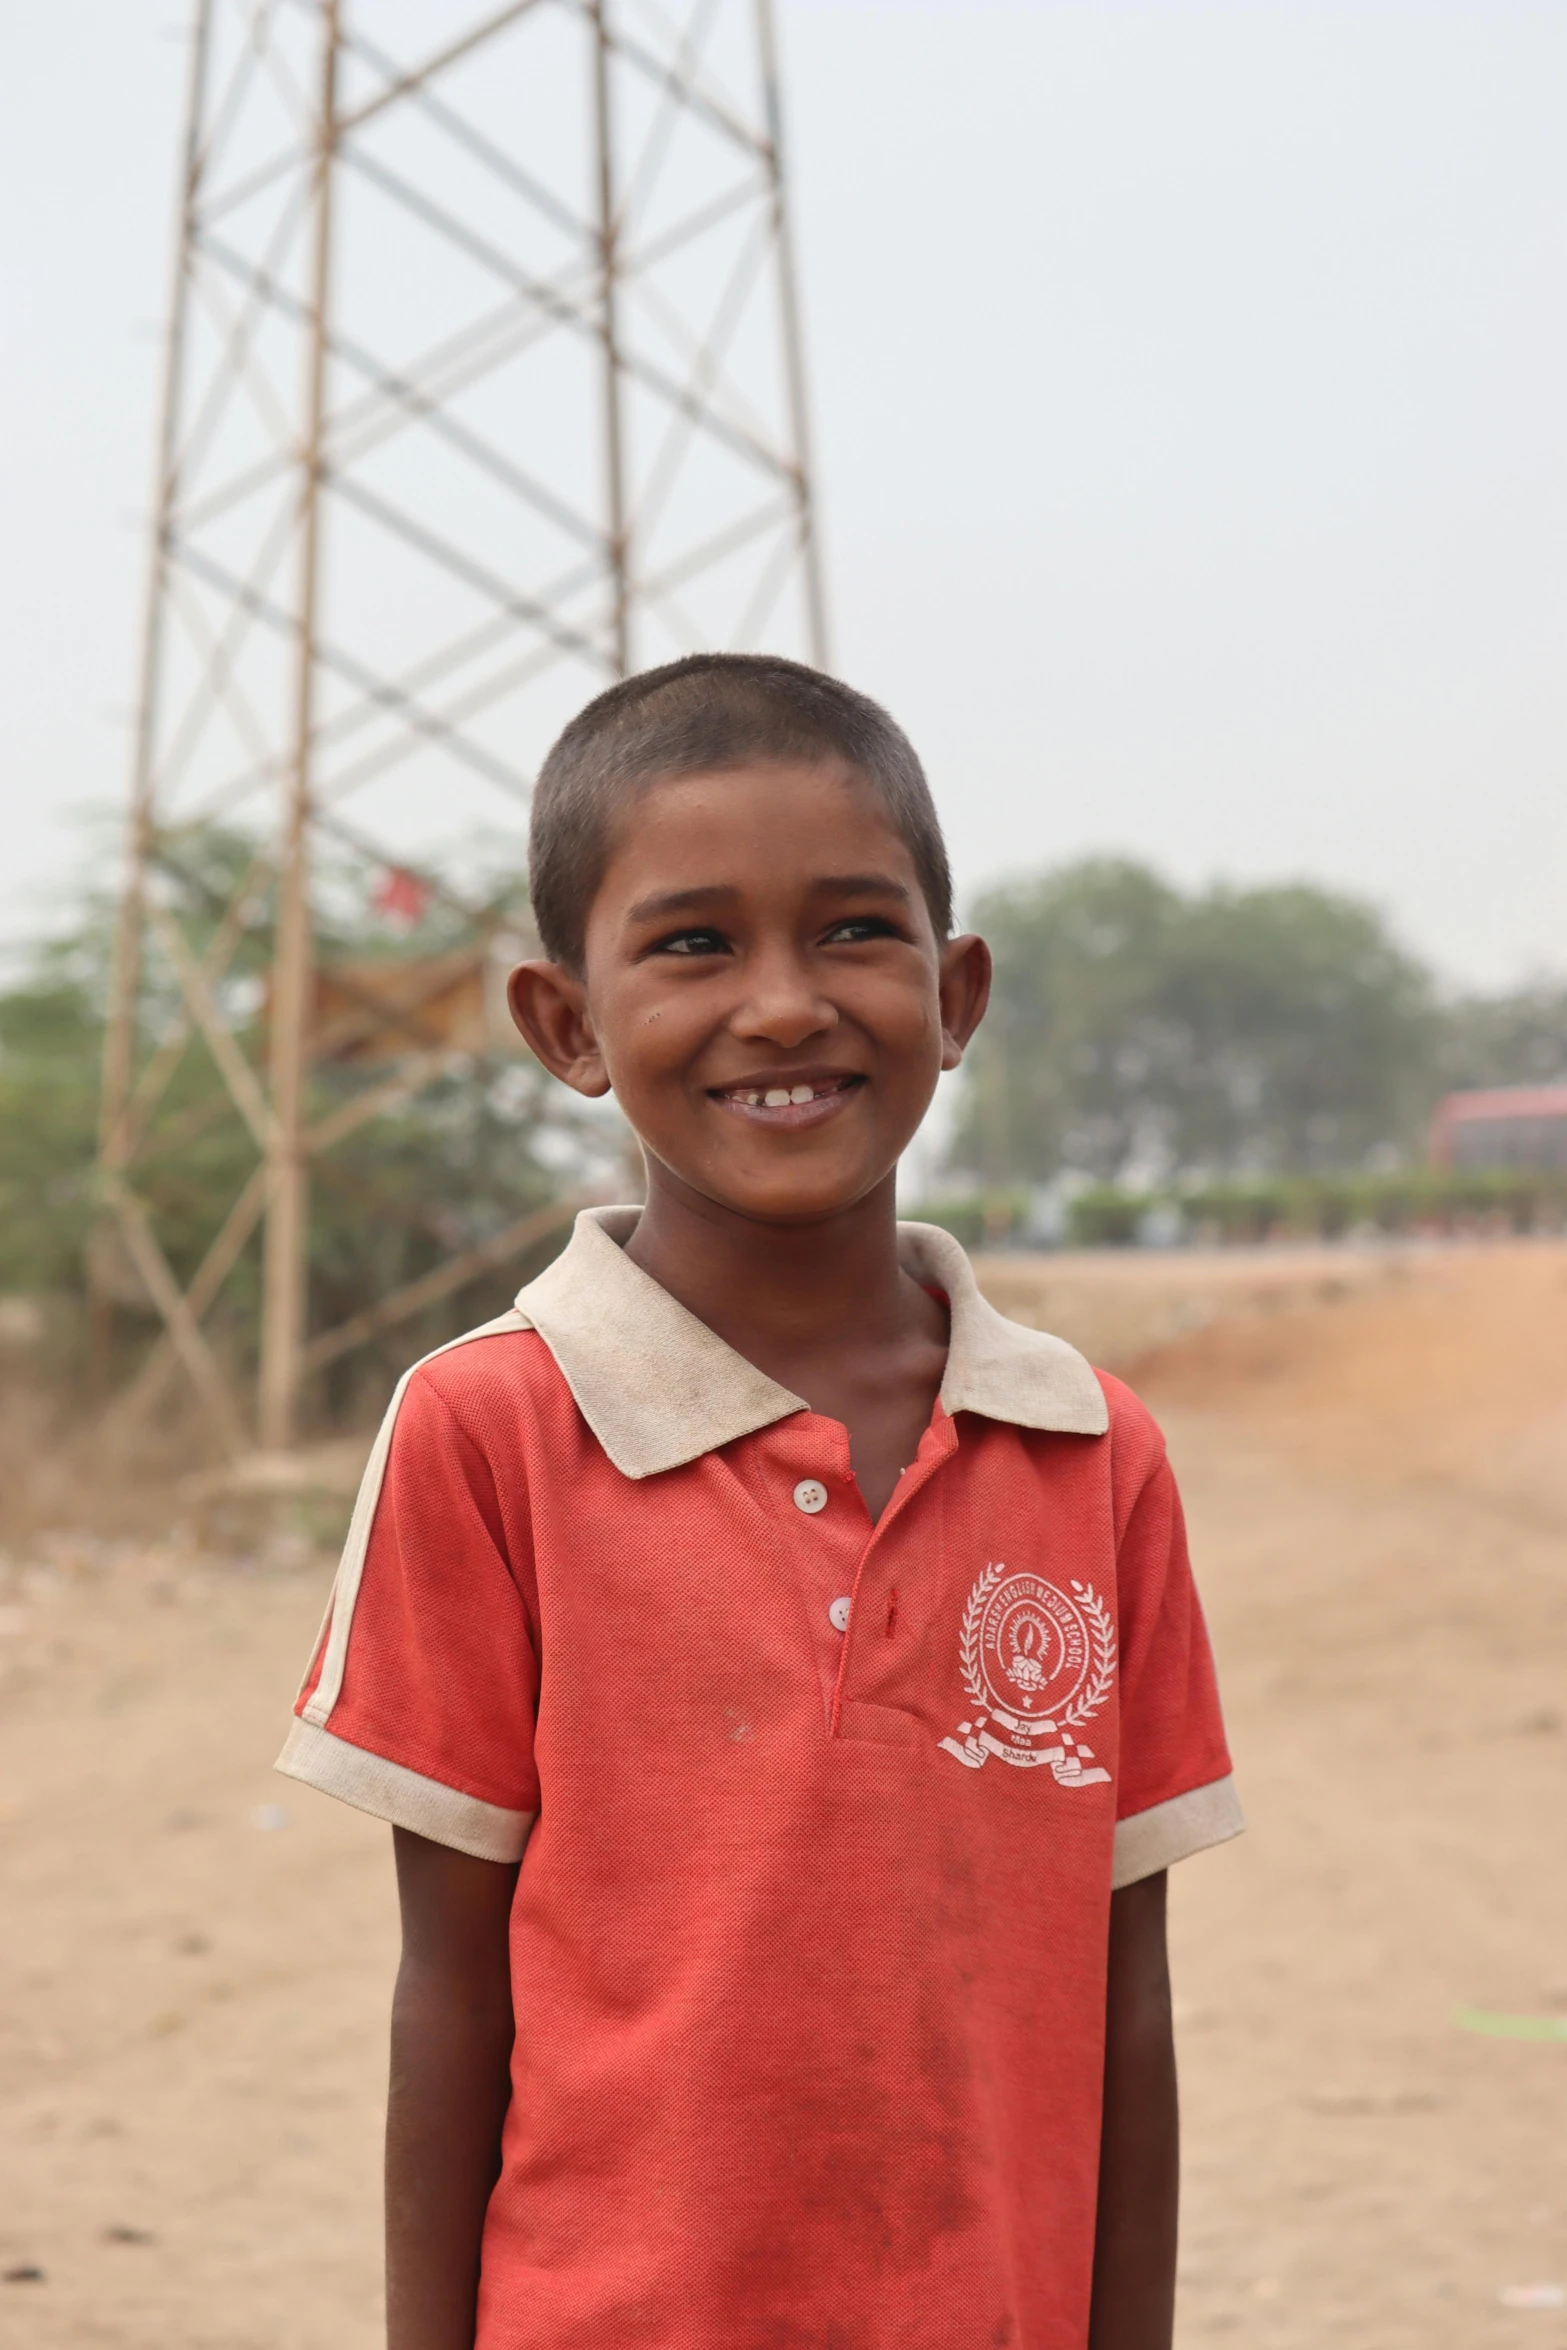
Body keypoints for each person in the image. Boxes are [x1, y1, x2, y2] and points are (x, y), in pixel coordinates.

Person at [276, 653, 1242, 2350]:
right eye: (693, 941)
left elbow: (1123, 2002)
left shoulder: (1087, 1450)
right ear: (565, 1024)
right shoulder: (490, 1430)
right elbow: (453, 1990)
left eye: (855, 931)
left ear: (956, 994)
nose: (785, 1003)